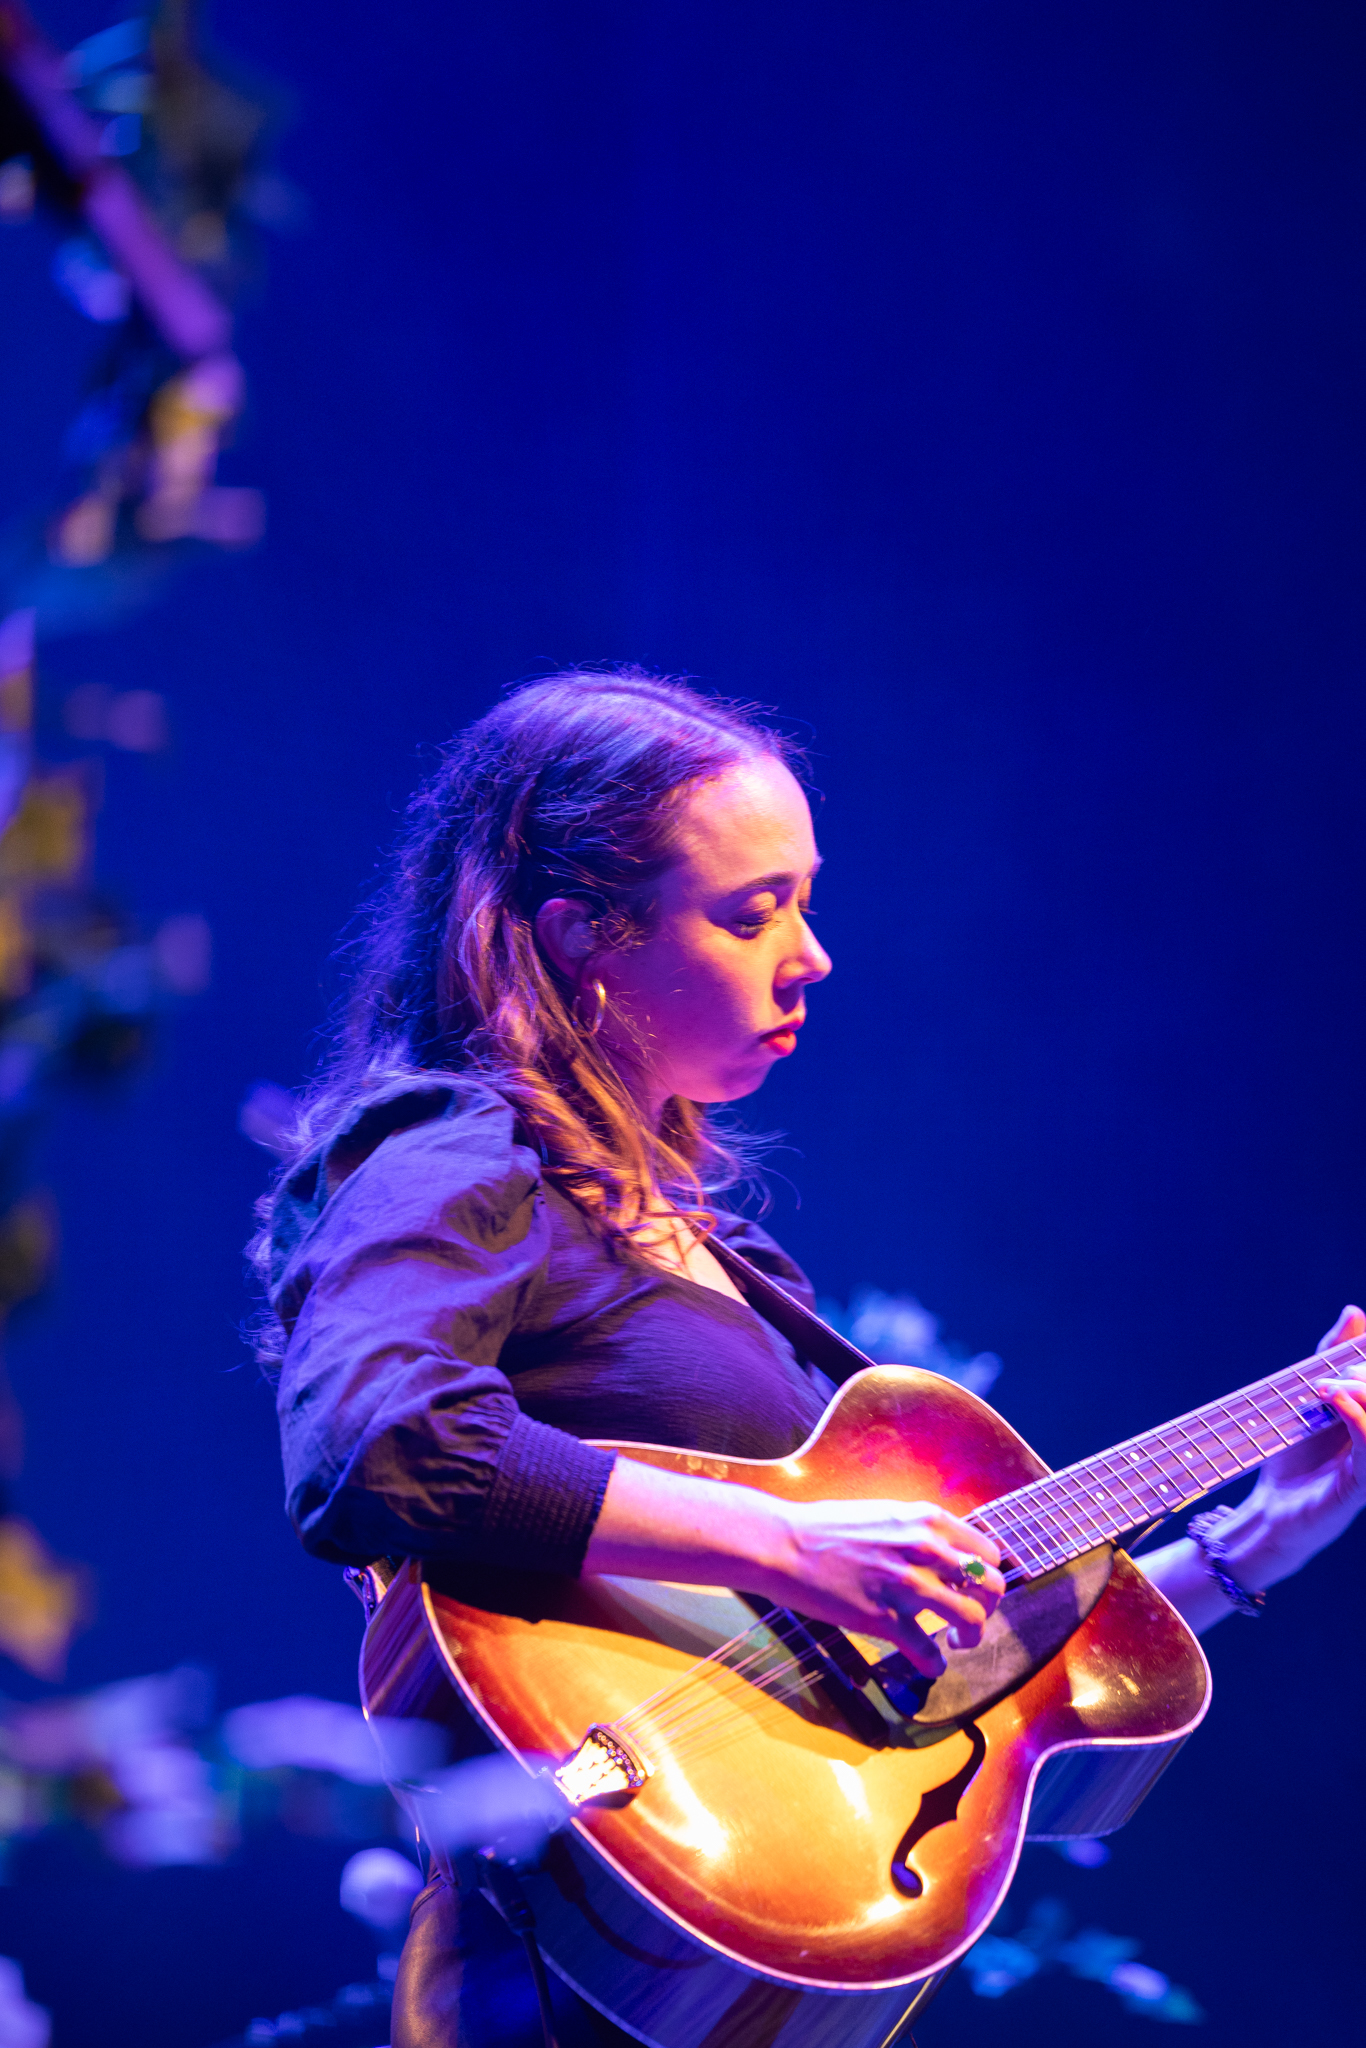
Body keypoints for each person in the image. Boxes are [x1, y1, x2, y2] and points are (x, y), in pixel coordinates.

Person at [257, 670, 1366, 2047]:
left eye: (804, 899)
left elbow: (953, 1690)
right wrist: (786, 1547)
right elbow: (379, 1443)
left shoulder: (736, 1267)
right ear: (581, 934)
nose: (813, 955)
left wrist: (1261, 1538)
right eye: (751, 911)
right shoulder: (454, 1149)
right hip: (558, 1975)